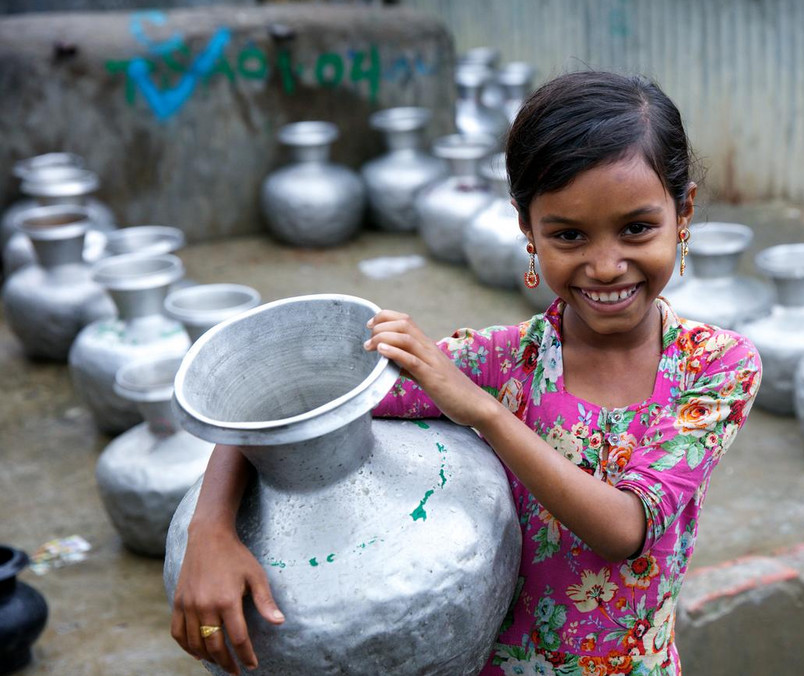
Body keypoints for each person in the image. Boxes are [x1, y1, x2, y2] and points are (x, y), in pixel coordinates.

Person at [170, 70, 761, 676]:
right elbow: (292, 401)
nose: (606, 265)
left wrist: (482, 411)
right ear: (527, 229)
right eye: (568, 235)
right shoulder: (499, 360)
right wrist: (209, 529)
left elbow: (625, 528)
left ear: (683, 210)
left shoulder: (714, 367)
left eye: (637, 228)